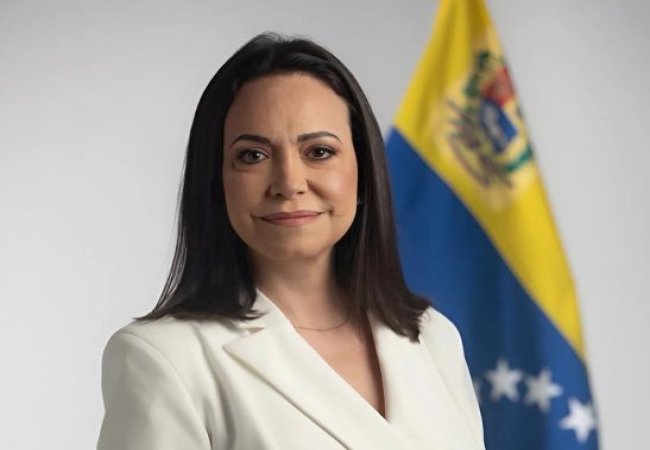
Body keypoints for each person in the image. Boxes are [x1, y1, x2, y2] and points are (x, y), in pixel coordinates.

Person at [97, 33, 485, 450]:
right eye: (253, 155)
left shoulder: (434, 338)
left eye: (319, 152)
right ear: (216, 182)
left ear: (362, 171)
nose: (289, 183)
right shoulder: (166, 358)